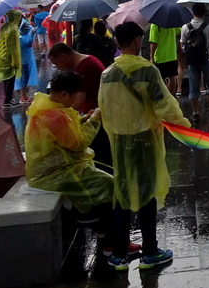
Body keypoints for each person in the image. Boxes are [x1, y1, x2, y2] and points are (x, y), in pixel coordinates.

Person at [98, 21, 189, 271]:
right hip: (145, 139)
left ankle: (119, 255)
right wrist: (184, 125)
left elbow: (103, 108)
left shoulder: (107, 74)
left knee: (122, 194)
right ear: (138, 40)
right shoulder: (148, 71)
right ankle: (150, 252)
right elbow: (165, 105)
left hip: (119, 141)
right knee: (147, 192)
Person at [25, 71, 132, 258]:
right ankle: (113, 243)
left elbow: (65, 135)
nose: (77, 101)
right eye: (75, 96)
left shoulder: (44, 107)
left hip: (56, 168)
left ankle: (103, 230)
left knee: (108, 174)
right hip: (57, 174)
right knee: (115, 186)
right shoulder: (55, 115)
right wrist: (96, 119)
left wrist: (84, 119)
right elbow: (79, 143)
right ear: (65, 94)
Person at [48, 41, 110, 167]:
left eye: (56, 64)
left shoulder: (85, 68)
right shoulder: (86, 62)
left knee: (100, 159)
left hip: (98, 118)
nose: (58, 68)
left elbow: (76, 103)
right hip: (94, 115)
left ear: (63, 56)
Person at [180, 3, 209, 122]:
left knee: (193, 87)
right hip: (207, 59)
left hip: (192, 61)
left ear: (193, 12)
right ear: (204, 13)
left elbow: (182, 45)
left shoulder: (185, 27)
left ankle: (195, 113)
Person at [0, 10, 22, 107]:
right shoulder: (13, 29)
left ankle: (7, 98)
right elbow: (13, 48)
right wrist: (15, 61)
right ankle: (7, 101)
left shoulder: (4, 26)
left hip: (0, 55)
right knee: (11, 78)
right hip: (8, 57)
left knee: (5, 79)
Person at [147, 22, 182, 98]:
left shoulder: (155, 25)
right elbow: (180, 31)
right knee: (172, 77)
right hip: (172, 55)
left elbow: (153, 43)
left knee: (160, 79)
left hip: (160, 57)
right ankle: (171, 97)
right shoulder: (172, 23)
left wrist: (151, 57)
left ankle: (164, 97)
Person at [15, 14, 38, 103]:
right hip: (24, 61)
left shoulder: (18, 36)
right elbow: (28, 44)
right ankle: (23, 97)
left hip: (20, 60)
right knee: (24, 78)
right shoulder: (23, 38)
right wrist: (32, 34)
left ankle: (24, 95)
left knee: (23, 78)